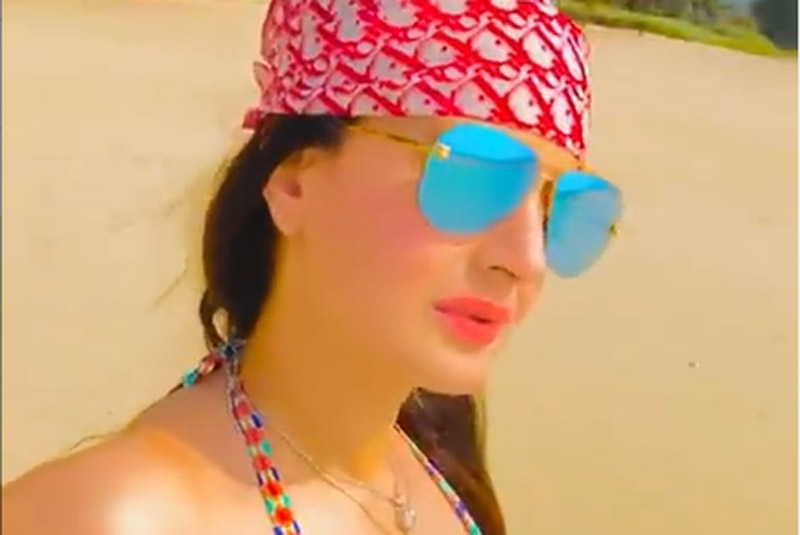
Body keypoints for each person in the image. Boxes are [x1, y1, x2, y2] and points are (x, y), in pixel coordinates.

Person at [2, 1, 622, 534]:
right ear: (295, 182)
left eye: (557, 206)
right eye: (470, 178)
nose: (525, 260)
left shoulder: (437, 478)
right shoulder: (111, 517)